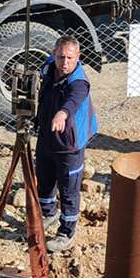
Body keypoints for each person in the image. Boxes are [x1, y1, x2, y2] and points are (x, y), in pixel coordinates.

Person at [34, 35, 97, 253]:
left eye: (70, 58)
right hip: (46, 137)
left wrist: (61, 114)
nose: (65, 62)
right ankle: (48, 213)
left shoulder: (79, 82)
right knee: (44, 179)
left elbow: (72, 101)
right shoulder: (48, 68)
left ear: (78, 57)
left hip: (69, 144)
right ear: (54, 54)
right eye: (61, 57)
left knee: (69, 189)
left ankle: (66, 232)